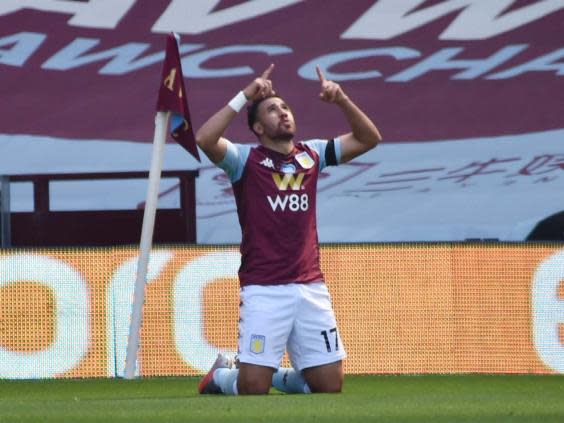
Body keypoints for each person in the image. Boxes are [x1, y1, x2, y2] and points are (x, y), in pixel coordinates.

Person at [195, 63, 382, 395]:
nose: (282, 113)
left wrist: (341, 99)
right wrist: (245, 96)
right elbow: (205, 139)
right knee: (252, 389)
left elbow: (370, 138)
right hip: (264, 289)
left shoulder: (312, 154)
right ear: (257, 128)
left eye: (284, 107)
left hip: (310, 286)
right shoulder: (245, 160)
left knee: (328, 386)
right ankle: (221, 376)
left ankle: (276, 376)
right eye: (271, 109)